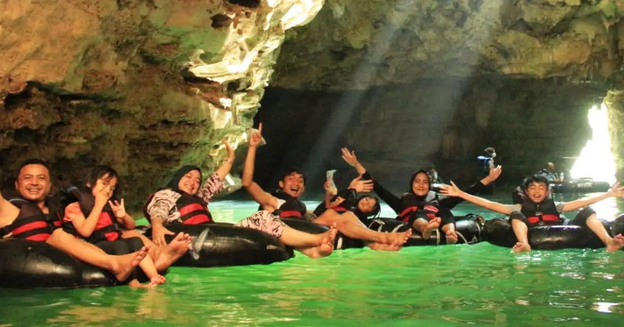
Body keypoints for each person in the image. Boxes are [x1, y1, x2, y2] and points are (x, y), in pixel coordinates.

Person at [144, 135, 337, 259]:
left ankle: (311, 250)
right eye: (188, 177)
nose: (193, 182)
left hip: (210, 230)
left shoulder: (199, 198)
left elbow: (214, 181)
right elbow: (158, 209)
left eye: (196, 179)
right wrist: (157, 225)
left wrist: (230, 159)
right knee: (263, 216)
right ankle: (316, 240)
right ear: (177, 178)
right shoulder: (167, 194)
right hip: (187, 233)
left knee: (263, 218)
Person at [242, 127, 411, 251]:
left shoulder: (300, 207)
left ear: (303, 189)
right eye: (291, 179)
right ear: (281, 184)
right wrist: (252, 148)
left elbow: (324, 211)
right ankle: (381, 237)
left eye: (300, 180)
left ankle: (374, 244)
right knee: (333, 215)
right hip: (288, 231)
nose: (296, 182)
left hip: (305, 228)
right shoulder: (272, 201)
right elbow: (247, 183)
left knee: (347, 215)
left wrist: (338, 192)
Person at [0, 159, 148, 283]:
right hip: (27, 258)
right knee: (59, 235)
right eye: (27, 178)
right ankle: (115, 264)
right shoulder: (8, 208)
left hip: (64, 259)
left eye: (41, 178)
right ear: (16, 184)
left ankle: (125, 264)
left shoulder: (56, 208)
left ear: (50, 185)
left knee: (78, 237)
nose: (34, 183)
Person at [61, 165, 191, 287]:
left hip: (112, 241)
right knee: (121, 245)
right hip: (95, 244)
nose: (107, 190)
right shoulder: (75, 206)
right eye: (104, 184)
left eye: (112, 188)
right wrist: (98, 205)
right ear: (89, 183)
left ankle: (154, 276)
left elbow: (131, 225)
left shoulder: (110, 205)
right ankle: (133, 281)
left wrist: (123, 216)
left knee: (136, 241)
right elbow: (85, 232)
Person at [343, 148, 501, 243]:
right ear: (411, 184)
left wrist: (489, 179)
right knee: (416, 213)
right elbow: (377, 187)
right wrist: (356, 164)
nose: (421, 184)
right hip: (415, 222)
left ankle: (450, 232)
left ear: (429, 186)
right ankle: (426, 228)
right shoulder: (401, 203)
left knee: (444, 211)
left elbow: (467, 192)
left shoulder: (437, 202)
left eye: (425, 182)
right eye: (417, 181)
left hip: (439, 218)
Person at [441, 174, 624, 253]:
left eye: (541, 188)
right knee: (515, 215)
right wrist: (461, 194)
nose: (537, 191)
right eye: (533, 188)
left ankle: (608, 241)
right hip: (530, 235)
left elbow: (583, 202)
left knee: (587, 211)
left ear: (547, 192)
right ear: (526, 192)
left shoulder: (557, 206)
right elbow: (489, 204)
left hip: (559, 229)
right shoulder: (519, 208)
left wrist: (609, 194)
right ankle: (524, 244)